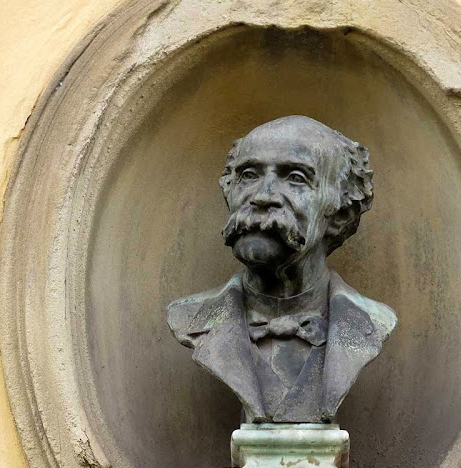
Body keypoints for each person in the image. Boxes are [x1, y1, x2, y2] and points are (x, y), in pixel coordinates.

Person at [167, 115, 396, 423]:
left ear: (341, 212)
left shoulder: (371, 323)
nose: (263, 196)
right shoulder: (188, 318)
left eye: (296, 178)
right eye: (249, 175)